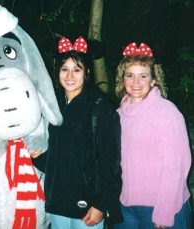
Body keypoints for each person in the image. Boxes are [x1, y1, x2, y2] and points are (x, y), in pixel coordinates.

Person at [32, 36, 122, 229]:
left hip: (88, 203)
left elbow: (110, 161)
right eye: (64, 69)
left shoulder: (100, 107)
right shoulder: (51, 105)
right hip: (58, 201)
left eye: (77, 69)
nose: (70, 76)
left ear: (87, 72)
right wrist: (37, 155)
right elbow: (54, 160)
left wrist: (100, 203)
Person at [114, 42, 192, 229]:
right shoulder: (118, 114)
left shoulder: (166, 112)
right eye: (130, 75)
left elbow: (176, 165)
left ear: (153, 80)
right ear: (122, 79)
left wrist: (164, 213)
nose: (136, 82)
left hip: (163, 208)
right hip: (126, 207)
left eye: (143, 76)